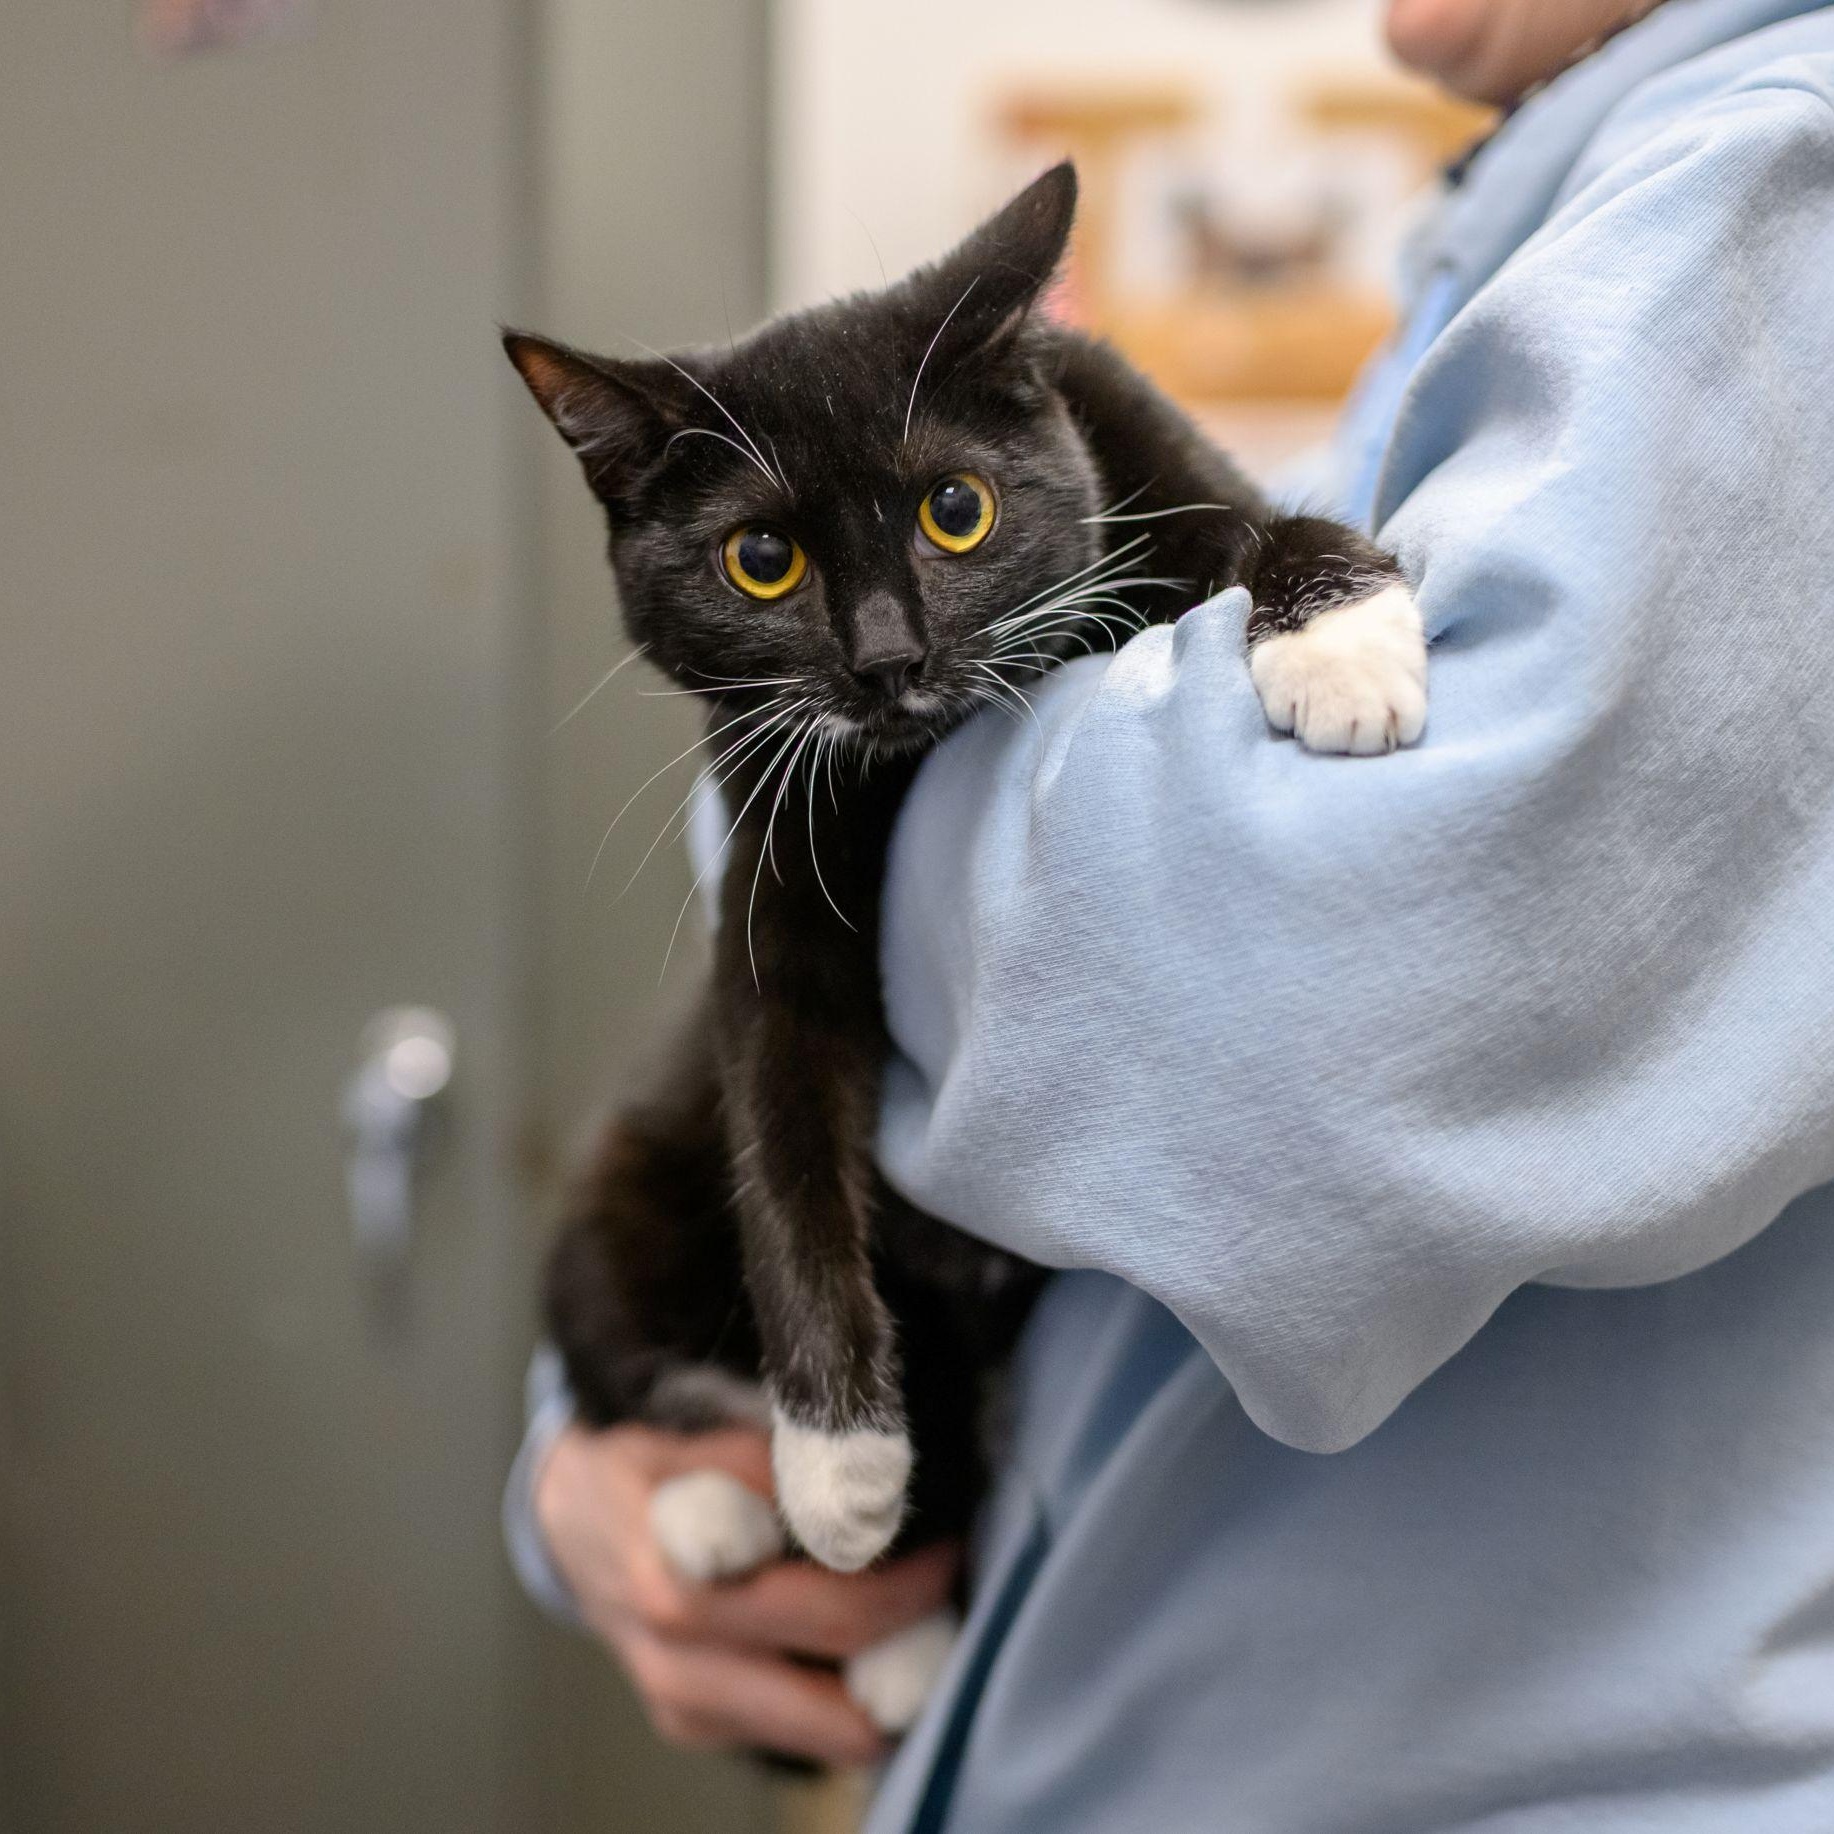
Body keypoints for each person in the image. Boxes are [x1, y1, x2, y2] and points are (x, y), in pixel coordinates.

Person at [508, 0, 1834, 1824]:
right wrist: (591, 1463)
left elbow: (1318, 984)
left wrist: (781, 850)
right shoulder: (1549, 211)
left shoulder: (1777, 188)